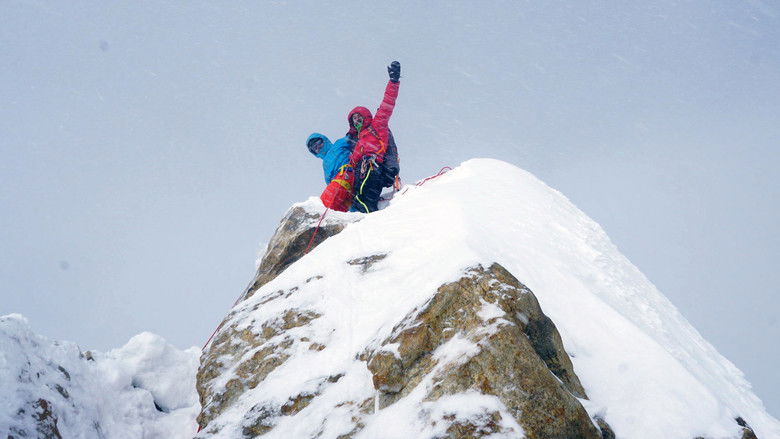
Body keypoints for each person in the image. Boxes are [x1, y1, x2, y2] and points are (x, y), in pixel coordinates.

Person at [347, 61, 401, 213]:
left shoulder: (378, 124)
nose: (357, 122)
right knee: (360, 195)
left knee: (367, 196)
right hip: (362, 171)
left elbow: (387, 103)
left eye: (359, 118)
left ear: (365, 116)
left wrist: (394, 81)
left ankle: (369, 213)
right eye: (354, 120)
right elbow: (353, 160)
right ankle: (364, 211)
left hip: (374, 168)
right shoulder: (359, 140)